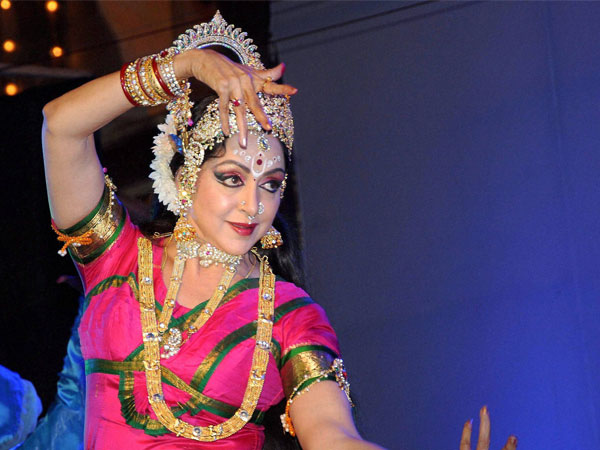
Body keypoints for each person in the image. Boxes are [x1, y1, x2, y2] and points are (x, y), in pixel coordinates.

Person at [40, 11, 516, 450]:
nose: (253, 205)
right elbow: (60, 125)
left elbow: (331, 436)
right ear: (186, 178)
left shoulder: (287, 314)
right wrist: (183, 65)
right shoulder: (117, 257)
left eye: (270, 184)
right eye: (232, 178)